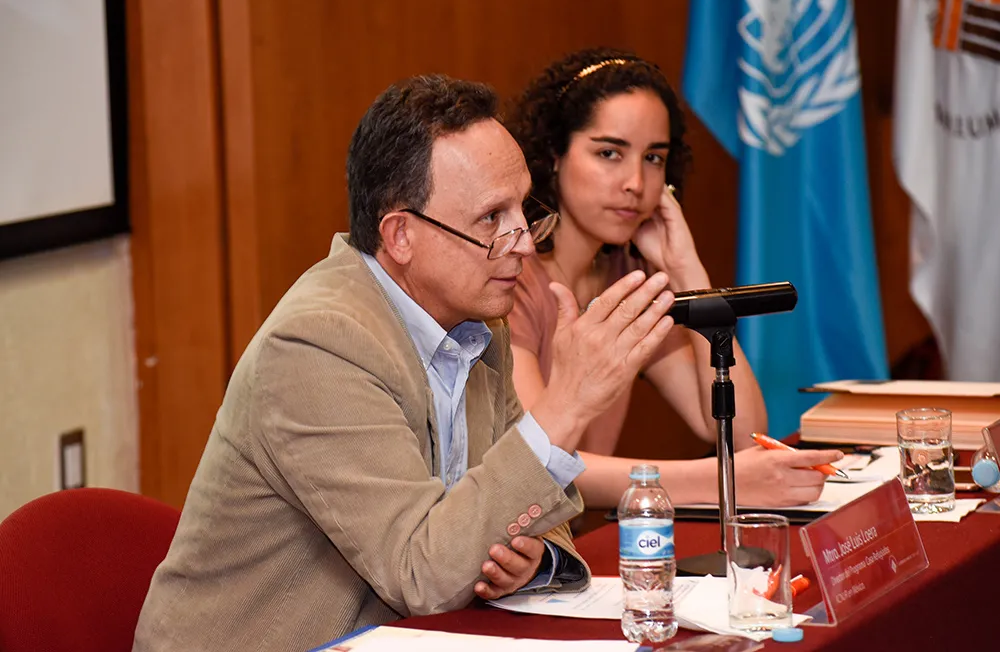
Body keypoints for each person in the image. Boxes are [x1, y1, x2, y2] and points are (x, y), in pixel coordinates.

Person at [133, 75, 678, 652]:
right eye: (492, 218)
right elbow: (425, 575)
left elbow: (542, 513)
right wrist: (567, 404)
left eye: (524, 206)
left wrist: (533, 558)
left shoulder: (475, 322)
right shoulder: (318, 345)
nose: (523, 240)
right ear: (400, 236)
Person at [505, 48, 843, 511]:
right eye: (609, 153)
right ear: (553, 154)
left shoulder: (630, 279)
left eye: (653, 158)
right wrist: (718, 480)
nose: (635, 183)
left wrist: (689, 272)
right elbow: (537, 462)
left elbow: (740, 432)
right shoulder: (509, 276)